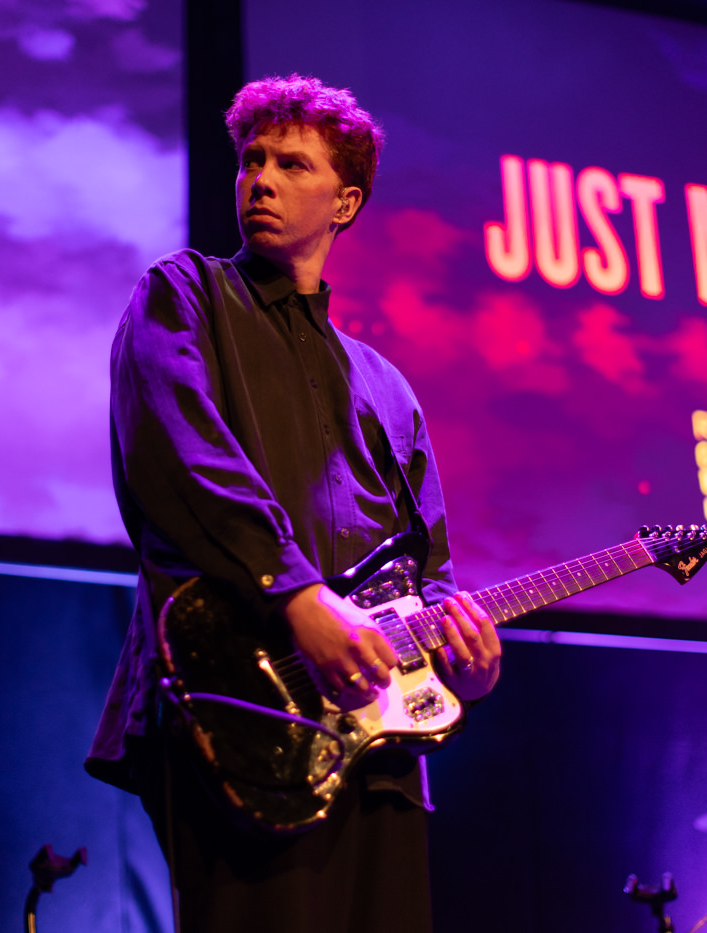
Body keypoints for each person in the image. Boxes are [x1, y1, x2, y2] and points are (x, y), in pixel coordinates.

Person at [84, 75, 501, 933]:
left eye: (290, 163)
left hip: (378, 738)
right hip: (237, 704)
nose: (260, 178)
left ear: (344, 202)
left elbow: (428, 576)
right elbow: (179, 464)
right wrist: (297, 593)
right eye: (251, 159)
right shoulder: (183, 296)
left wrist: (469, 663)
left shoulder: (388, 387)